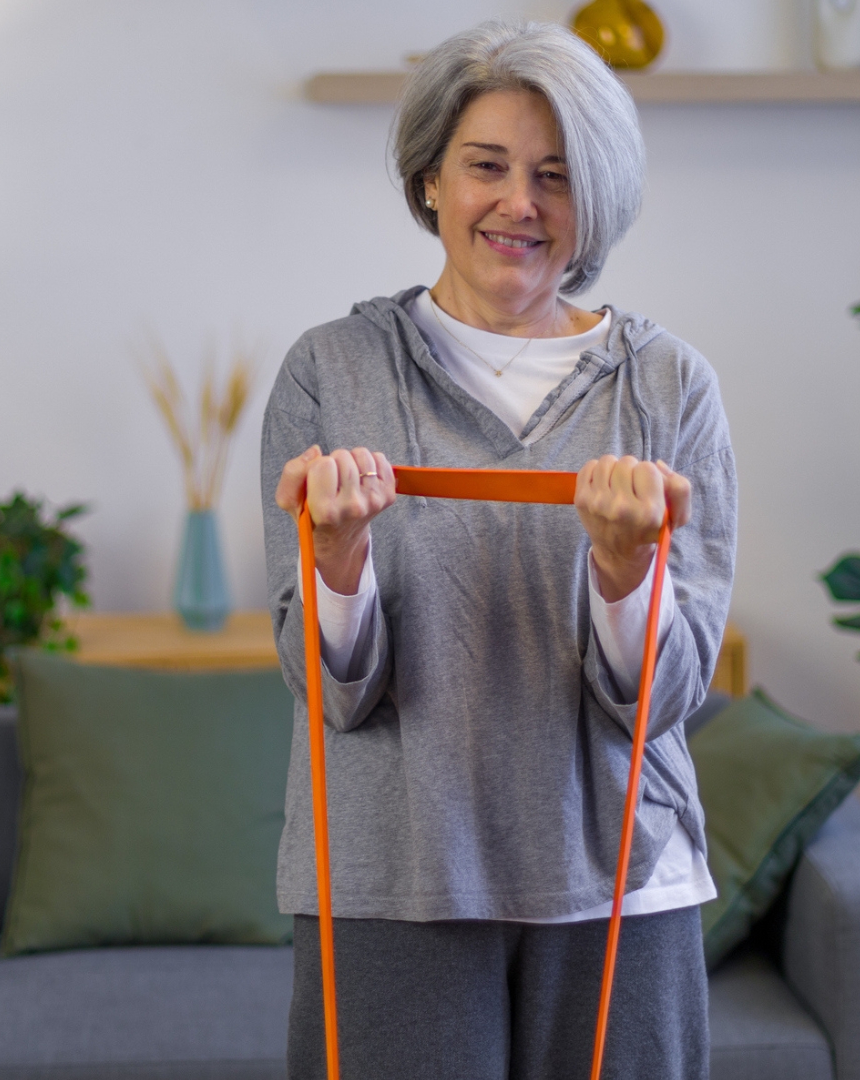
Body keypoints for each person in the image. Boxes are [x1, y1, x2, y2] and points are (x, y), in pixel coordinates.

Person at [259, 17, 735, 1080]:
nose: (521, 202)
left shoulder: (670, 388)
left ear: (594, 199)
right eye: (487, 166)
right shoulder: (330, 375)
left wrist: (626, 575)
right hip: (392, 881)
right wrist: (338, 561)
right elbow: (330, 694)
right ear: (430, 179)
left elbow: (666, 700)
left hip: (622, 882)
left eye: (556, 176)